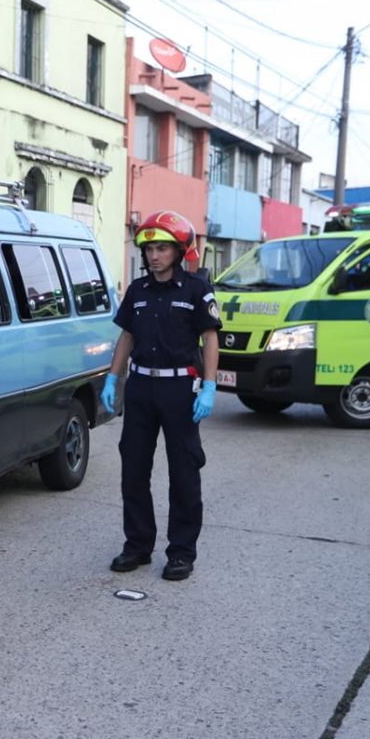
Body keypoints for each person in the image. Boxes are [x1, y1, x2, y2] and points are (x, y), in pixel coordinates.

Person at [100, 210, 222, 581]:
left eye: (163, 248)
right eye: (149, 248)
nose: (154, 255)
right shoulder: (138, 291)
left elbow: (211, 337)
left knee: (184, 472)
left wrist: (211, 384)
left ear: (180, 251)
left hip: (179, 389)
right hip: (140, 388)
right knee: (133, 470)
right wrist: (112, 377)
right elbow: (127, 336)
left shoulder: (197, 290)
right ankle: (137, 545)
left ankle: (181, 553)